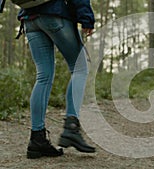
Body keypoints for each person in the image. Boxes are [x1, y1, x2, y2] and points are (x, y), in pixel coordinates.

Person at [16, 0, 96, 159]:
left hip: (29, 19)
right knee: (80, 68)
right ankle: (71, 128)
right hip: (54, 14)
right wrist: (86, 18)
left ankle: (37, 139)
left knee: (43, 76)